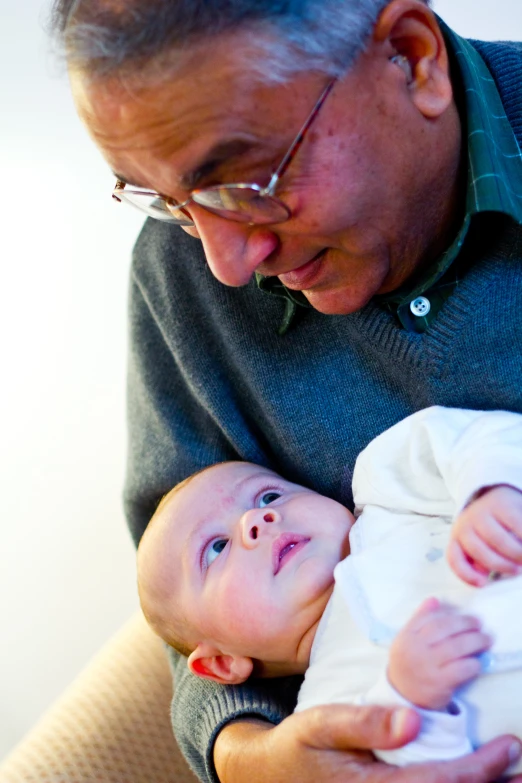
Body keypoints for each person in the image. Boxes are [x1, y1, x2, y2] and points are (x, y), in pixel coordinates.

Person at [49, 0, 522, 780]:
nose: (226, 264)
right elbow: (185, 614)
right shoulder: (183, 280)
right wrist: (253, 759)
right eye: (168, 201)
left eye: (242, 181)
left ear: (411, 57)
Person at [136, 406, 522, 771]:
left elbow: (466, 439)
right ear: (223, 662)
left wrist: (492, 491)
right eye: (216, 548)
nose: (258, 518)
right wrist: (409, 702)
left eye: (269, 495)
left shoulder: (388, 497)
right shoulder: (324, 712)